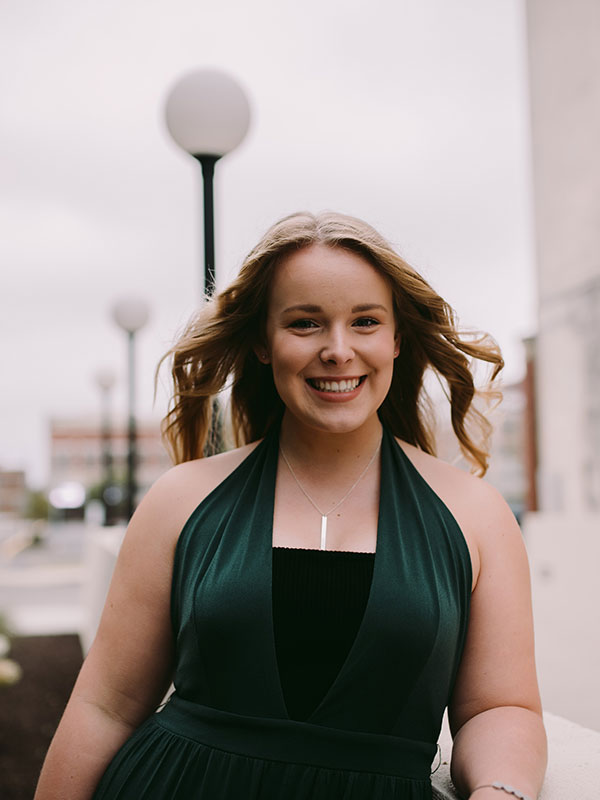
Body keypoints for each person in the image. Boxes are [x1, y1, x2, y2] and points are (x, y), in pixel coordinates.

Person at [35, 211, 547, 800]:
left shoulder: (476, 516)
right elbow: (105, 706)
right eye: (305, 323)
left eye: (365, 322)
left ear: (396, 339)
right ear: (261, 340)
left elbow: (500, 706)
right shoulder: (181, 500)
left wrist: (501, 791)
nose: (337, 350)